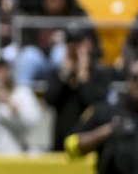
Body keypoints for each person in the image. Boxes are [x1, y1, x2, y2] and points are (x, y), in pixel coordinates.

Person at [44, 24, 112, 153]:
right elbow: (49, 100)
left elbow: (96, 104)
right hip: (61, 143)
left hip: (90, 145)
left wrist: (83, 76)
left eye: (78, 44)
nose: (74, 49)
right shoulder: (57, 74)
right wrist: (64, 74)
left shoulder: (99, 74)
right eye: (70, 44)